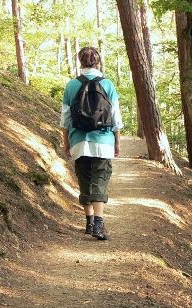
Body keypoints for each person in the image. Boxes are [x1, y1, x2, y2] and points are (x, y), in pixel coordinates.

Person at [60, 47, 123, 240]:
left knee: (84, 179)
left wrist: (66, 143)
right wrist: (117, 142)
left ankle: (89, 222)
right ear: (98, 62)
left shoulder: (71, 85)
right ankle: (98, 224)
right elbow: (116, 118)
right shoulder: (107, 84)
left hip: (79, 141)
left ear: (80, 62)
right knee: (100, 179)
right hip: (103, 141)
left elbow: (65, 119)